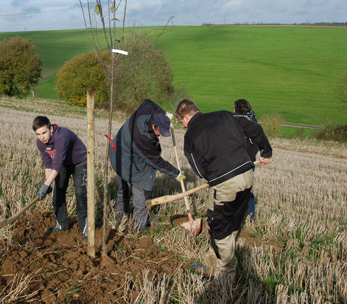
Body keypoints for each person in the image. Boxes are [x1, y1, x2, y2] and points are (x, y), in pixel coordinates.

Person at [175, 99, 272, 280]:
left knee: (219, 227)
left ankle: (226, 276)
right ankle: (212, 263)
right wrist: (266, 151)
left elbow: (198, 169)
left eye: (182, 122)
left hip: (225, 184)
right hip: (247, 176)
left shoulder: (190, 136)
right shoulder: (225, 115)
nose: (183, 125)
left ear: (186, 118)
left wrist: (214, 175)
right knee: (232, 222)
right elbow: (254, 129)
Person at [109, 99, 184, 231]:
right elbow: (156, 162)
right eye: (159, 131)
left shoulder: (146, 111)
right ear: (154, 125)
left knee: (123, 187)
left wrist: (165, 113)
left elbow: (148, 101)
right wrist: (176, 173)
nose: (160, 135)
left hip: (117, 152)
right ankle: (138, 227)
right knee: (142, 193)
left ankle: (118, 215)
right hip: (125, 160)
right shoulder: (143, 138)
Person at [33, 116, 88, 241]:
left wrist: (45, 185)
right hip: (63, 164)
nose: (42, 137)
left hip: (80, 162)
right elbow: (48, 163)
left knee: (80, 194)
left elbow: (56, 164)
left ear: (51, 129)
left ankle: (86, 229)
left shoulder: (61, 137)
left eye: (44, 132)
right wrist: (47, 183)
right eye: (38, 134)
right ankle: (61, 224)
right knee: (58, 192)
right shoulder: (40, 143)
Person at [233, 99, 261, 221]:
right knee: (243, 189)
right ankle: (248, 215)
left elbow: (255, 144)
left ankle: (250, 216)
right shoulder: (252, 121)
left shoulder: (244, 124)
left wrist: (246, 158)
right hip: (244, 161)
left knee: (243, 189)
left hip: (244, 162)